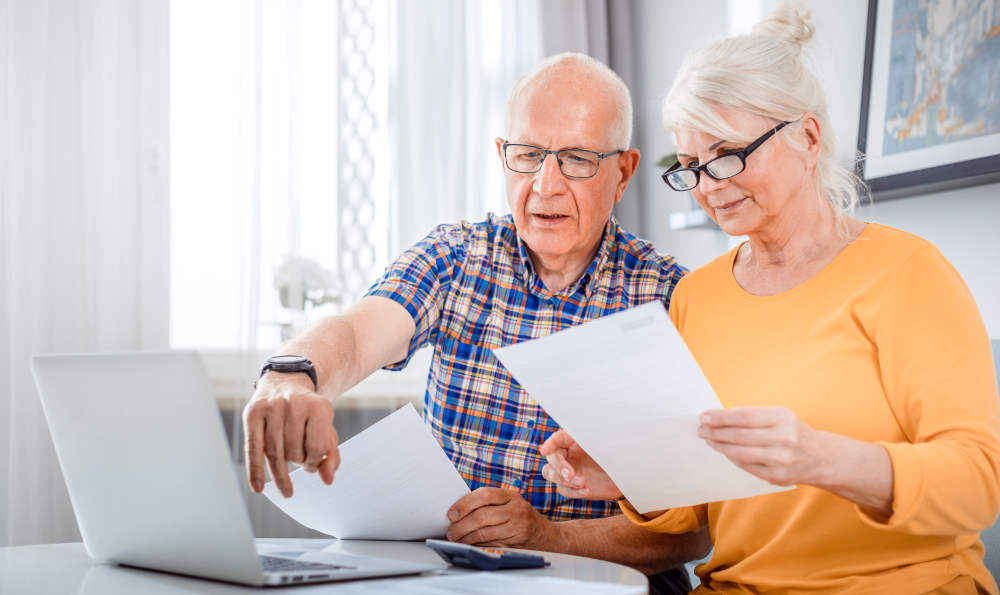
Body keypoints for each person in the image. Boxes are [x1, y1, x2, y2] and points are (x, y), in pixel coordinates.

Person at [540, 5, 1000, 594]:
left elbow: (978, 486)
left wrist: (820, 459)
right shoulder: (695, 297)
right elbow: (695, 516)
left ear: (807, 137)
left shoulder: (906, 273)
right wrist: (630, 474)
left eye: (728, 154)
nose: (708, 185)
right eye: (690, 167)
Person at [243, 52, 710, 594]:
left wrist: (547, 537)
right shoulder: (456, 256)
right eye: (528, 155)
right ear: (502, 156)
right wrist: (290, 375)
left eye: (578, 159)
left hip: (604, 581)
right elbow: (357, 330)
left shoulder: (672, 298)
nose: (545, 184)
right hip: (450, 572)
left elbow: (690, 535)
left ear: (624, 172)